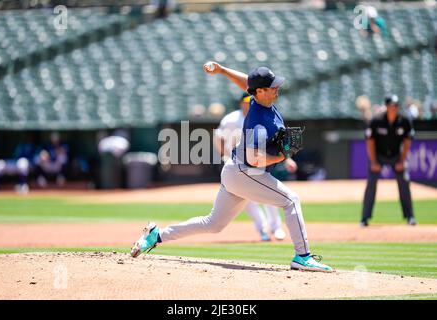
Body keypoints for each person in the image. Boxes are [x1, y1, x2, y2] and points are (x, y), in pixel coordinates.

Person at [130, 62, 334, 272]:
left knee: (213, 224)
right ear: (261, 91)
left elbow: (247, 82)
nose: (277, 88)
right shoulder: (258, 120)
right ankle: (303, 256)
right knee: (291, 200)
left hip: (235, 171)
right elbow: (254, 159)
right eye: (273, 86)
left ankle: (157, 235)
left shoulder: (259, 99)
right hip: (246, 172)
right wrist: (282, 155)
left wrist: (222, 70)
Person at [213, 92, 292, 241]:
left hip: (258, 164)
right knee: (248, 201)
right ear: (241, 103)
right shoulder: (230, 119)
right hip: (237, 164)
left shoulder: (261, 117)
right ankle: (262, 230)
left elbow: (274, 143)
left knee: (268, 195)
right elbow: (218, 137)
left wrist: (287, 160)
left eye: (251, 101)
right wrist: (224, 154)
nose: (248, 104)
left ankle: (276, 228)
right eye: (246, 101)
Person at [361, 95, 416, 227]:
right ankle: (364, 218)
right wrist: (373, 161)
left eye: (396, 105)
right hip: (379, 155)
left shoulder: (404, 120)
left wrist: (402, 161)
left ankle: (410, 217)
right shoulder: (376, 120)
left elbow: (407, 142)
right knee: (371, 182)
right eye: (392, 105)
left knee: (404, 180)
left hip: (396, 155)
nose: (394, 108)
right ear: (386, 106)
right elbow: (370, 142)